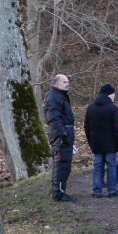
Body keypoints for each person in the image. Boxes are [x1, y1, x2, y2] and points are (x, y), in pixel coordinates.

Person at [84, 83, 118, 198]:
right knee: (111, 166)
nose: (114, 96)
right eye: (114, 94)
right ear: (110, 94)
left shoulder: (90, 107)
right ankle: (112, 190)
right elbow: (117, 128)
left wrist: (91, 142)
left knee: (98, 166)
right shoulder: (113, 108)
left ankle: (97, 190)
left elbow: (86, 127)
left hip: (96, 143)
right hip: (110, 143)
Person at [44, 73, 76, 201]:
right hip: (60, 135)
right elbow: (53, 118)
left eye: (67, 81)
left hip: (65, 132)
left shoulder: (60, 96)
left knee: (65, 164)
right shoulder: (53, 96)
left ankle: (59, 191)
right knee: (61, 164)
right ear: (56, 83)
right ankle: (58, 193)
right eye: (64, 82)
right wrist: (63, 133)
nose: (67, 83)